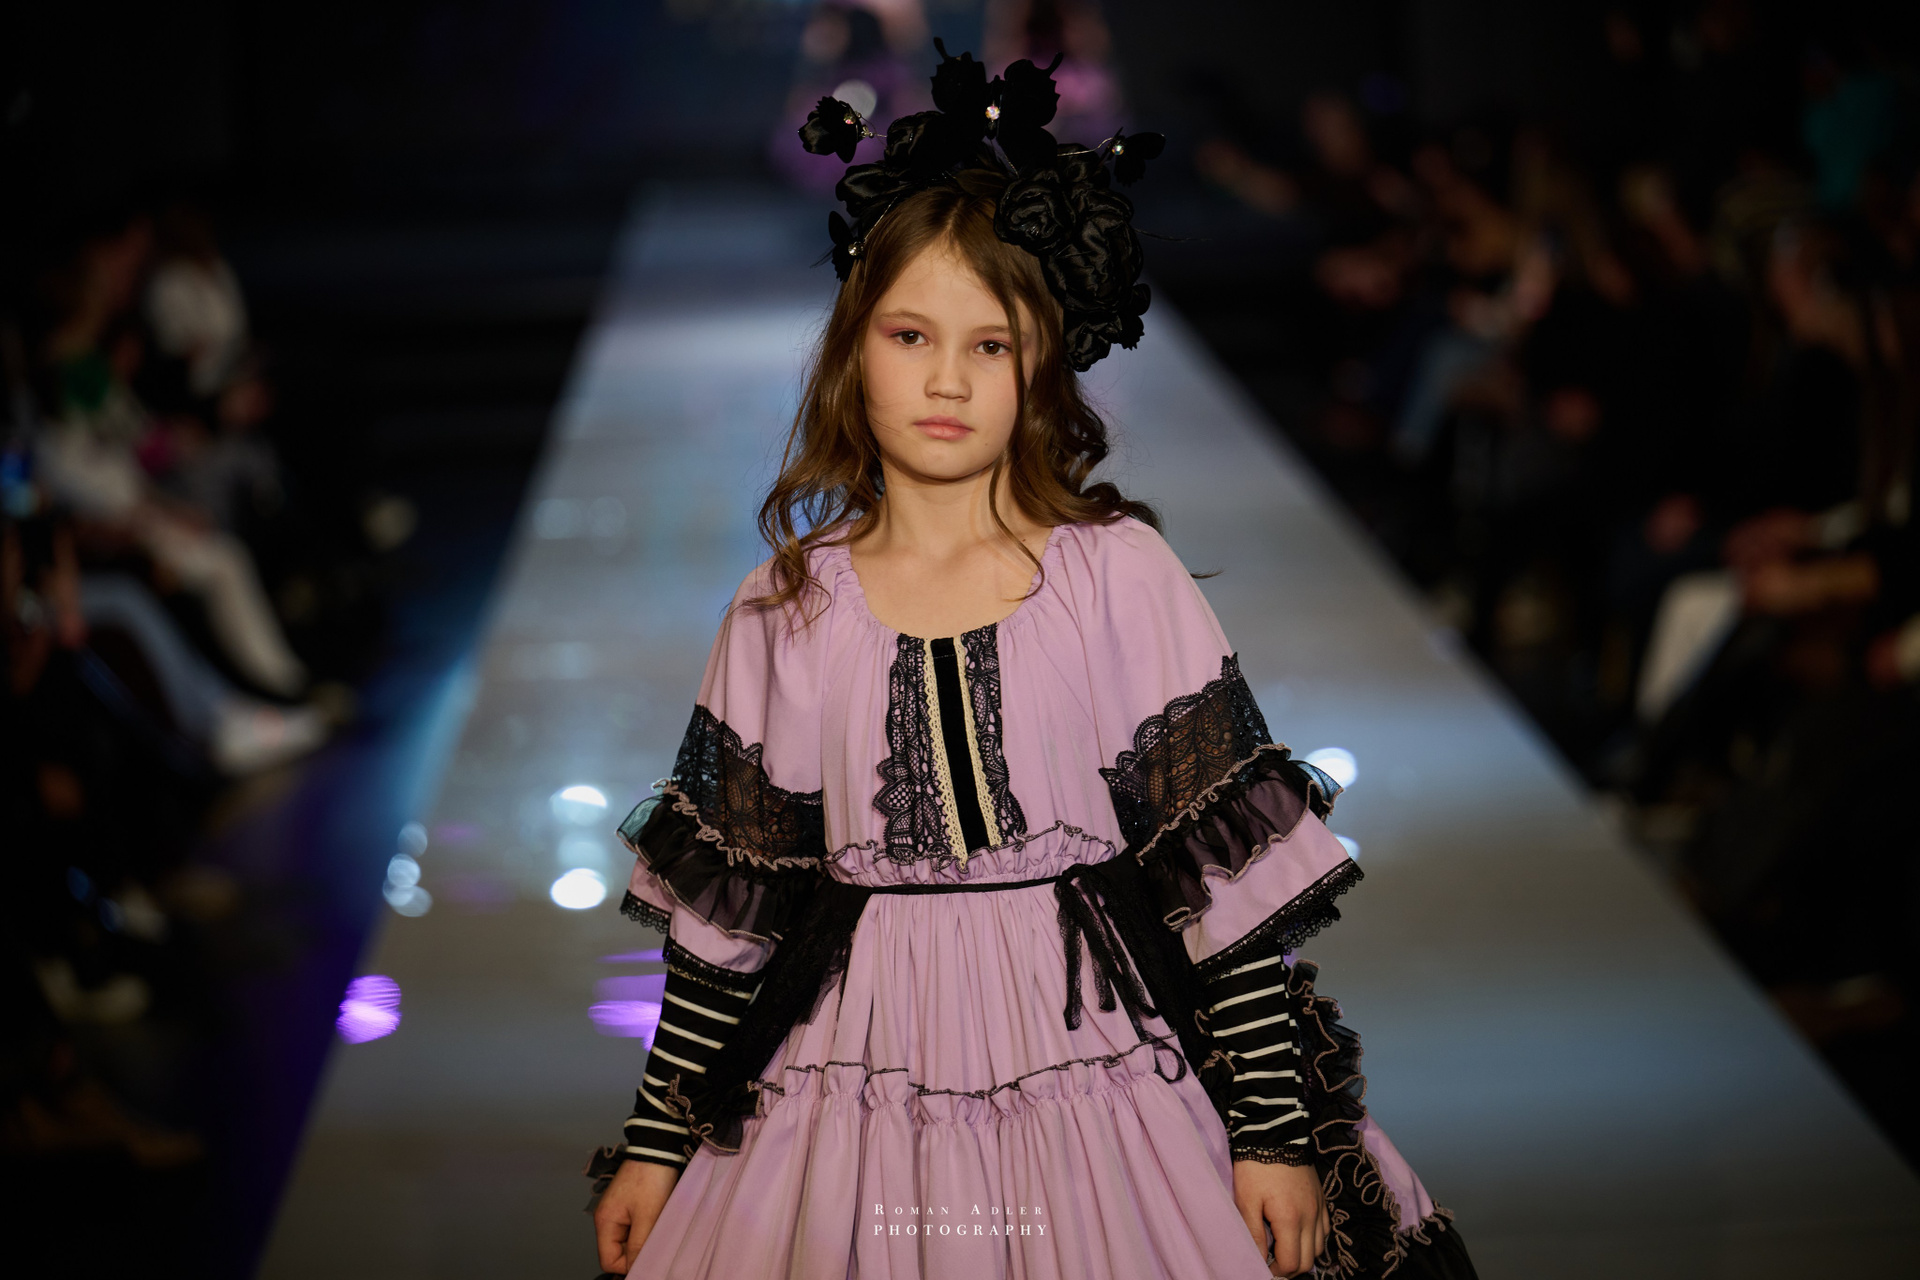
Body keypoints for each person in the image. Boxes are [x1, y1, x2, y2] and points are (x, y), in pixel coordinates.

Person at [588, 47, 1476, 1280]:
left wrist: (1272, 1131)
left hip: (1108, 1051)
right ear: (854, 350)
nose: (947, 379)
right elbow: (730, 910)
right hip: (852, 1070)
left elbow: (1220, 879)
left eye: (991, 345)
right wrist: (654, 1141)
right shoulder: (785, 608)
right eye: (911, 334)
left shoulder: (1116, 575)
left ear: (1040, 363)